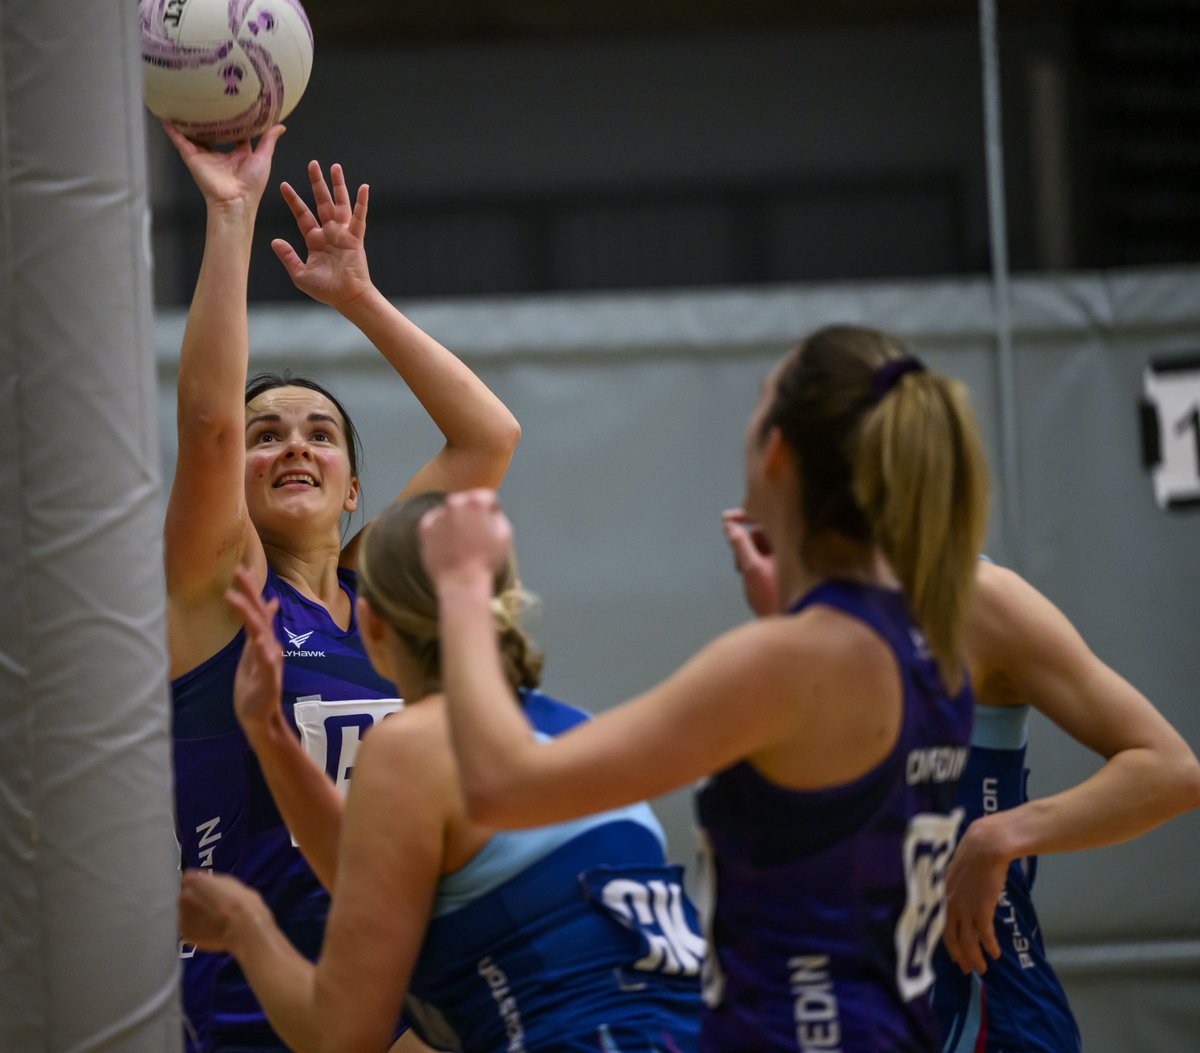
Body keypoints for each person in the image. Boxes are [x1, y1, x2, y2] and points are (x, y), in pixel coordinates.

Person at [419, 324, 993, 1052]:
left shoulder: (791, 662)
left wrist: (464, 584)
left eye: (757, 409)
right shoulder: (928, 629)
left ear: (778, 452)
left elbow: (503, 787)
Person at [162, 122, 522, 1052]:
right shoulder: (222, 593)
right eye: (267, 434)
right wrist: (232, 214)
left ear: (353, 487)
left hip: (401, 996)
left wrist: (359, 296)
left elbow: (487, 437)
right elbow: (207, 423)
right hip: (259, 1007)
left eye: (319, 433)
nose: (291, 445)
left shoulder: (381, 598)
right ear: (233, 479)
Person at [177, 492, 705, 1053]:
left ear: (370, 626)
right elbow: (373, 878)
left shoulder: (412, 743)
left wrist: (245, 925)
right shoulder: (574, 729)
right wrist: (270, 735)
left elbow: (342, 1035)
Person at [722, 499, 1200, 1052]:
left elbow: (1170, 770)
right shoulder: (813, 624)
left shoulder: (977, 598)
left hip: (990, 1021)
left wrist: (1000, 836)